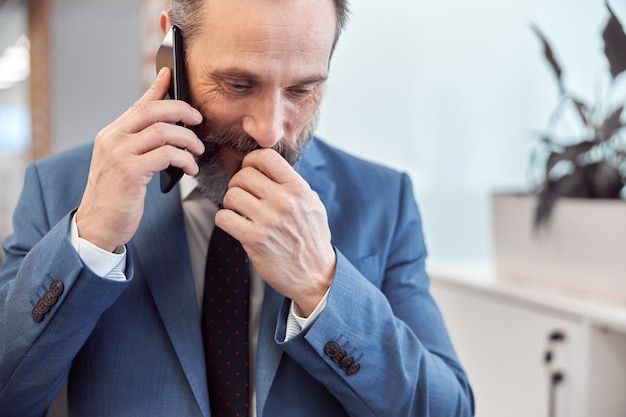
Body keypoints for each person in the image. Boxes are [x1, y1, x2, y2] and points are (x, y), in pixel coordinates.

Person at [0, 0, 474, 416]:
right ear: (171, 49)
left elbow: (447, 409)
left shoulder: (382, 201)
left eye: (302, 90)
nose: (269, 131)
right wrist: (91, 240)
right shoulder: (59, 190)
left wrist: (322, 286)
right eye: (238, 84)